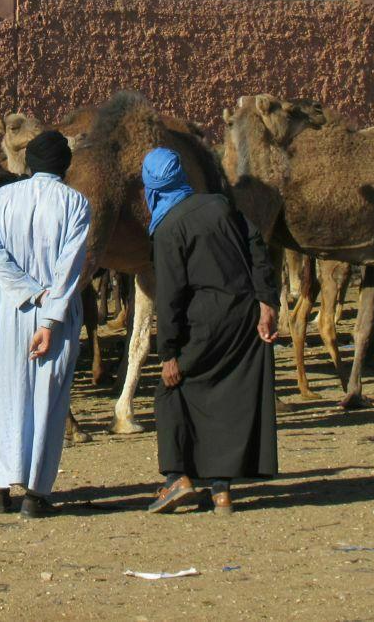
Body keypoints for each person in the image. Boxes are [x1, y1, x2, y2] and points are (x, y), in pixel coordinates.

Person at [141, 147, 280, 516]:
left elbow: (169, 297)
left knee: (170, 393)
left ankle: (176, 479)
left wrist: (167, 352)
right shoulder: (219, 204)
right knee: (227, 399)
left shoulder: (168, 229)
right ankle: (221, 492)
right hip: (243, 316)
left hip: (203, 322)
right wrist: (267, 301)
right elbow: (257, 246)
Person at [0, 130, 92, 519]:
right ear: (66, 165)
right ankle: (34, 493)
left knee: (6, 393)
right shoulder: (75, 204)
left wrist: (26, 291)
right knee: (47, 400)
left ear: (29, 163)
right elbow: (70, 267)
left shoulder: (2, 198)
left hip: (11, 311)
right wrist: (47, 313)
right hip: (55, 314)